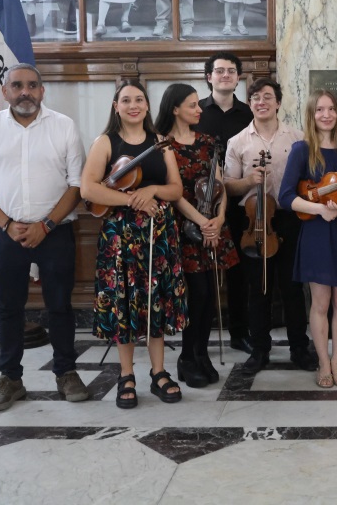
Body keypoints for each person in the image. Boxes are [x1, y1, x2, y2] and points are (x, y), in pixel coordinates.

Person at [0, 63, 89, 412]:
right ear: (4, 92)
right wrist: (6, 223)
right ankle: (10, 378)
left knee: (61, 307)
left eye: (33, 86)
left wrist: (45, 225)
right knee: (7, 308)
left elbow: (77, 184)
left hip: (55, 231)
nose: (25, 92)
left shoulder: (63, 126)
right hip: (7, 233)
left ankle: (66, 372)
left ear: (42, 91)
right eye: (17, 85)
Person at [80, 80, 187, 408]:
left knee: (155, 300)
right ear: (116, 106)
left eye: (139, 99)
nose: (133, 105)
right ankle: (126, 374)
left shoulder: (160, 143)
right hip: (120, 238)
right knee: (124, 303)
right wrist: (131, 201)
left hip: (158, 233)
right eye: (126, 100)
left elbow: (176, 189)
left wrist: (151, 192)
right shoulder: (105, 142)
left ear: (147, 105)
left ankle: (158, 373)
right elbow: (88, 190)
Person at [223, 78, 317, 375]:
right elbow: (228, 185)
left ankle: (299, 348)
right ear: (250, 104)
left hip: (289, 220)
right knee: (258, 289)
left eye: (267, 97)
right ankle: (260, 349)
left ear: (278, 102)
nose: (260, 102)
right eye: (255, 98)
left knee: (292, 288)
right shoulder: (237, 142)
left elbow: (306, 180)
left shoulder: (298, 138)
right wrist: (249, 181)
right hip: (254, 221)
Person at [278, 89, 337, 388]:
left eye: (331, 109)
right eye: (320, 110)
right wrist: (319, 209)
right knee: (320, 301)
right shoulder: (301, 150)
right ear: (311, 114)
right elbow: (286, 196)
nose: (326, 114)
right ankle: (322, 362)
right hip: (317, 231)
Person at [154, 83, 239, 388]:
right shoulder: (163, 145)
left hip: (210, 226)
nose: (199, 109)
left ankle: (200, 354)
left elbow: (219, 186)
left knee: (210, 296)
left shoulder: (207, 141)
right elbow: (175, 194)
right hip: (183, 228)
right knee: (197, 294)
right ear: (175, 108)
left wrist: (218, 218)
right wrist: (203, 221)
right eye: (192, 105)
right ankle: (187, 357)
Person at [193, 52, 254, 354]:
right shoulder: (196, 113)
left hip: (241, 204)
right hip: (200, 203)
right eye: (219, 71)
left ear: (238, 78)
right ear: (209, 77)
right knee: (201, 274)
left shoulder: (249, 113)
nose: (225, 75)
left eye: (231, 71)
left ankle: (239, 332)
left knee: (239, 273)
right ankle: (198, 336)